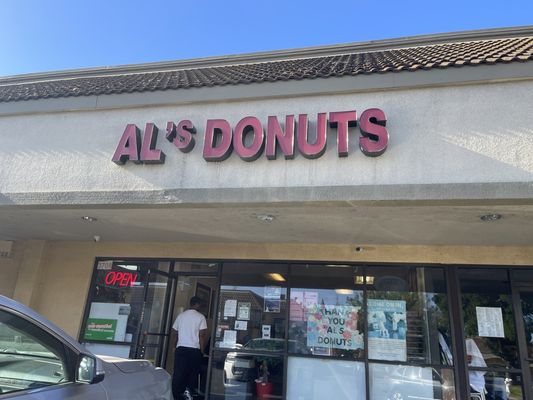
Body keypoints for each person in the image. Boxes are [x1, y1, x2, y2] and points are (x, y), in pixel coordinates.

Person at [172, 296, 208, 400]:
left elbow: (175, 333)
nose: (200, 306)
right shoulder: (201, 317)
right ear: (197, 305)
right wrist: (202, 351)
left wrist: (174, 346)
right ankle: (188, 392)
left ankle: (175, 393)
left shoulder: (181, 316)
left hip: (181, 348)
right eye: (200, 304)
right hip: (194, 349)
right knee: (192, 372)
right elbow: (201, 336)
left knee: (179, 372)